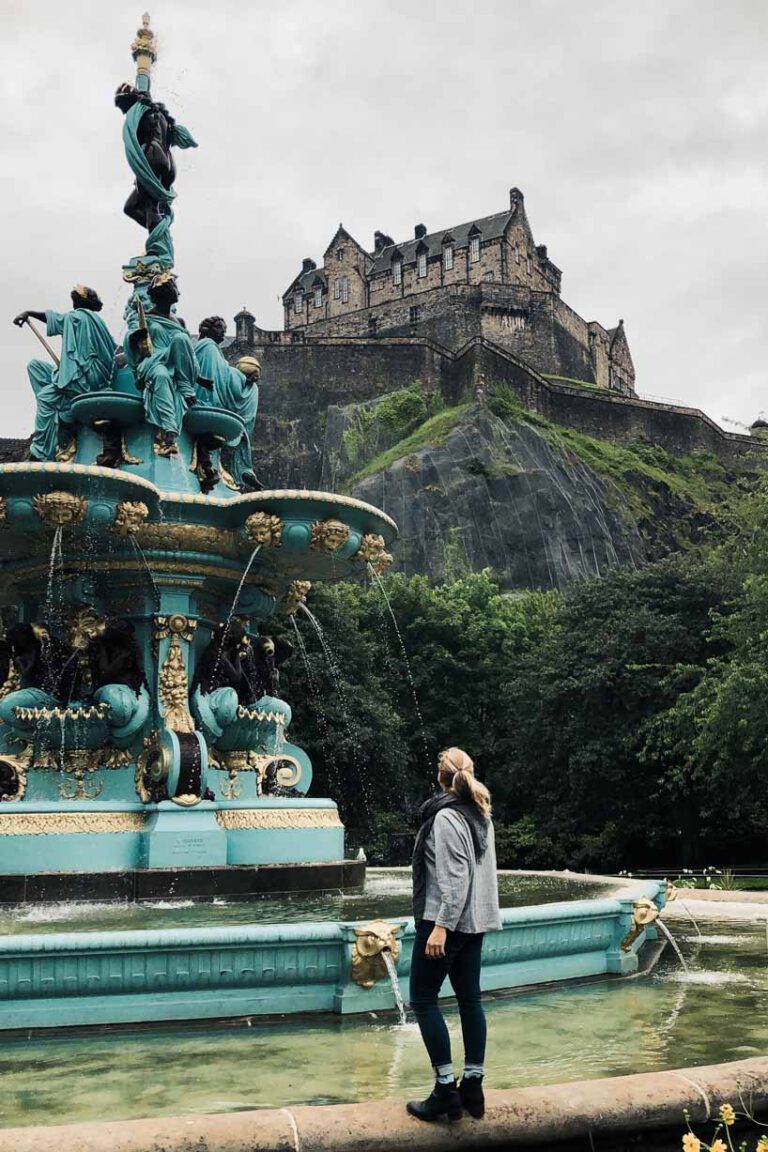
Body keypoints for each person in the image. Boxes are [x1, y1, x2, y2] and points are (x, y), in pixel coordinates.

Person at [407, 747, 501, 1123]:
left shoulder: (446, 817)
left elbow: (456, 877)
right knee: (469, 1001)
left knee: (424, 1000)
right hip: (475, 923)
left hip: (445, 922)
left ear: (440, 777)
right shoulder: (481, 813)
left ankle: (445, 1090)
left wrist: (441, 928)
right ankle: (473, 1088)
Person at [13, 286, 116, 461]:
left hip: (84, 379)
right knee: (35, 366)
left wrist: (28, 313)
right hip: (85, 375)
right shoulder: (96, 321)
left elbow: (54, 318)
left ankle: (41, 452)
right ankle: (60, 411)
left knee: (45, 397)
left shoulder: (77, 317)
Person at [124, 273, 198, 456]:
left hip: (176, 363)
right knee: (161, 375)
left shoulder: (179, 322)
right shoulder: (145, 316)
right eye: (174, 290)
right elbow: (130, 339)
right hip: (152, 361)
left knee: (181, 338)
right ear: (165, 295)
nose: (178, 294)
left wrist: (200, 378)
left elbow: (187, 349)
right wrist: (136, 337)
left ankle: (184, 384)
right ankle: (170, 430)